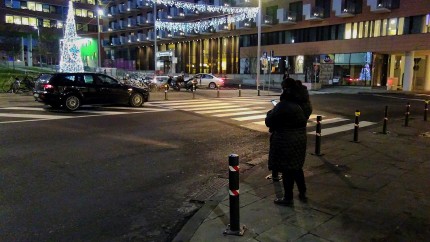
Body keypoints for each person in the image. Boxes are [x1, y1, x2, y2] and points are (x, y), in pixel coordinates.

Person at [265, 78, 312, 206]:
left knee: (286, 170)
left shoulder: (284, 105)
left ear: (286, 89)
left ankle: (288, 198)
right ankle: (302, 192)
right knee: (296, 166)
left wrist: (271, 112)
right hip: (300, 138)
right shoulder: (305, 103)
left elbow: (269, 121)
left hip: (285, 139)